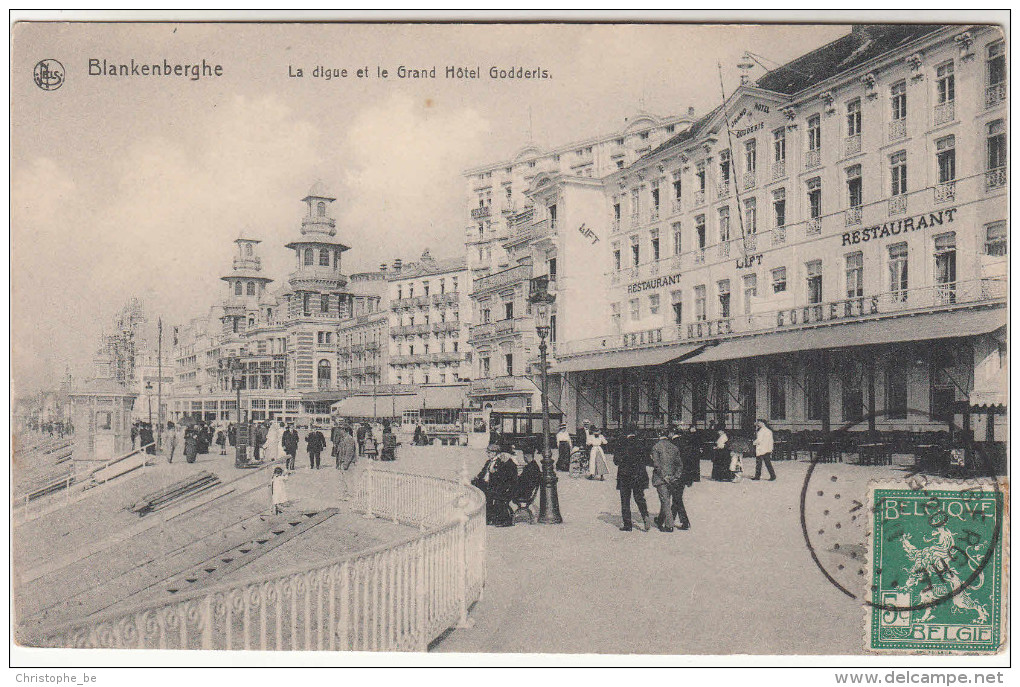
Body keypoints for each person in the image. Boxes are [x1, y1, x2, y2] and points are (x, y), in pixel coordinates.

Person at [614, 428, 652, 532]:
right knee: (639, 498)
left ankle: (628, 524)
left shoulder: (621, 445)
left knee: (625, 500)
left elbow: (616, 461)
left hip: (625, 476)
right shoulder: (641, 445)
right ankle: (645, 516)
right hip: (639, 476)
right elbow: (648, 460)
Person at [650, 429, 684, 532]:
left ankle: (669, 525)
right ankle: (660, 520)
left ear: (658, 434)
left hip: (661, 478)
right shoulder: (674, 447)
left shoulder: (656, 447)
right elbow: (679, 465)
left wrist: (664, 476)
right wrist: (675, 476)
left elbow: (656, 465)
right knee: (666, 499)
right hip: (672, 478)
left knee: (665, 500)